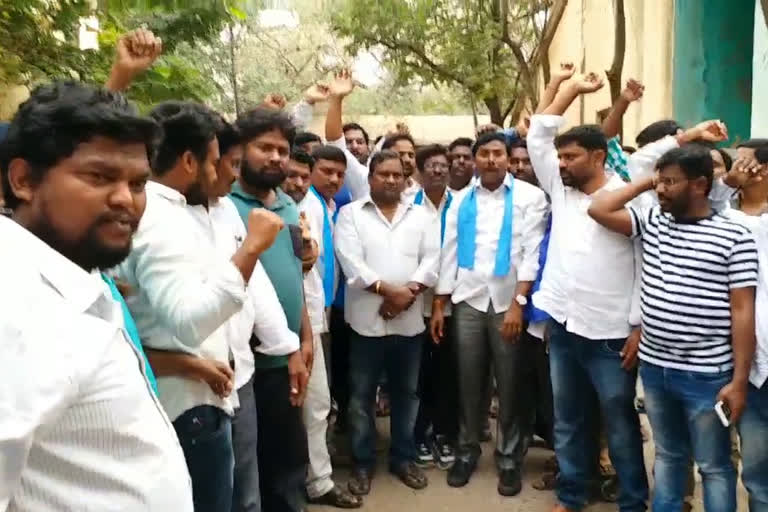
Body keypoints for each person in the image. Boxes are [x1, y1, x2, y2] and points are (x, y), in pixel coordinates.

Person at [0, 80, 192, 511]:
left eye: (139, 183)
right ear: (24, 180)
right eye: (99, 176)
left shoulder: (69, 279)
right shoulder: (14, 303)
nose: (126, 200)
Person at [116, 101, 281, 512]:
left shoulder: (174, 213)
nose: (220, 172)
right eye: (213, 162)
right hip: (187, 407)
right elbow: (191, 322)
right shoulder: (159, 220)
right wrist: (252, 248)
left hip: (198, 396)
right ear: (189, 161)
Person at [587, 144, 758, 512]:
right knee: (668, 456)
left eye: (670, 183)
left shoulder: (735, 235)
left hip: (708, 374)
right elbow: (598, 208)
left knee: (713, 466)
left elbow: (743, 311)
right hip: (655, 368)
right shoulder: (653, 222)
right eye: (659, 182)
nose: (660, 190)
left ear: (699, 185)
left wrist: (739, 380)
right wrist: (649, 181)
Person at [527, 73, 649, 512]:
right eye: (559, 157)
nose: (561, 164)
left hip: (611, 335)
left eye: (571, 157)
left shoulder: (630, 198)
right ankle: (572, 495)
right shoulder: (561, 190)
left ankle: (634, 501)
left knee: (619, 424)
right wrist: (570, 90)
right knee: (568, 421)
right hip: (563, 327)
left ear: (598, 157)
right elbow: (539, 132)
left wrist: (637, 326)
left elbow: (644, 269)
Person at [432, 132, 548, 496]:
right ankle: (466, 451)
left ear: (508, 157)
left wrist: (519, 302)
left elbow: (531, 253)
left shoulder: (530, 197)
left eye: (498, 153)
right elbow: (448, 252)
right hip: (468, 299)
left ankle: (510, 458)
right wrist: (440, 303)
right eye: (485, 154)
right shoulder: (461, 199)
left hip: (507, 302)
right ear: (475, 159)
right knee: (468, 381)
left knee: (511, 383)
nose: (492, 160)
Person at [335, 149, 441, 495]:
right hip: (366, 324)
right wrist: (387, 291)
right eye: (384, 174)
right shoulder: (351, 215)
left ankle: (403, 459)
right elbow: (351, 263)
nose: (392, 180)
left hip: (408, 325)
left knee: (406, 395)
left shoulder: (422, 215)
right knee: (361, 397)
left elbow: (432, 260)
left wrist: (405, 296)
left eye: (397, 175)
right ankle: (363, 463)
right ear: (370, 178)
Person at [229, 107, 313, 512]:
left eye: (282, 149)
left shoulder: (288, 207)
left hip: (286, 355)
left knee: (288, 461)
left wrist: (306, 335)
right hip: (240, 363)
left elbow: (295, 275)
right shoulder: (223, 205)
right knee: (248, 468)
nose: (276, 157)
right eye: (264, 147)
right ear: (240, 150)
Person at [286, 144, 363, 508]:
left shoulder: (327, 207)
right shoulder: (301, 206)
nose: (332, 179)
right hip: (296, 321)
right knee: (310, 403)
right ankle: (311, 481)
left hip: (319, 315)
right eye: (323, 172)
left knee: (316, 403)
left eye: (339, 173)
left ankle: (315, 479)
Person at [719, 152, 768, 511]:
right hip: (746, 364)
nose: (740, 167)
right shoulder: (721, 216)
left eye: (746, 161)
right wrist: (728, 184)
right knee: (755, 466)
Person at [410, 144, 459, 470]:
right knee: (419, 375)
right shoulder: (408, 206)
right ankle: (419, 434)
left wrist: (441, 303)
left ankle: (444, 434)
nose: (438, 170)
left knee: (446, 374)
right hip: (413, 303)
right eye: (431, 165)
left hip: (451, 305)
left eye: (443, 165)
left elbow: (453, 257)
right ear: (420, 170)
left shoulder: (462, 205)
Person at [382, 133, 419, 201]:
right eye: (400, 154)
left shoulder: (422, 195)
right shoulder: (374, 191)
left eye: (411, 155)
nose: (407, 160)